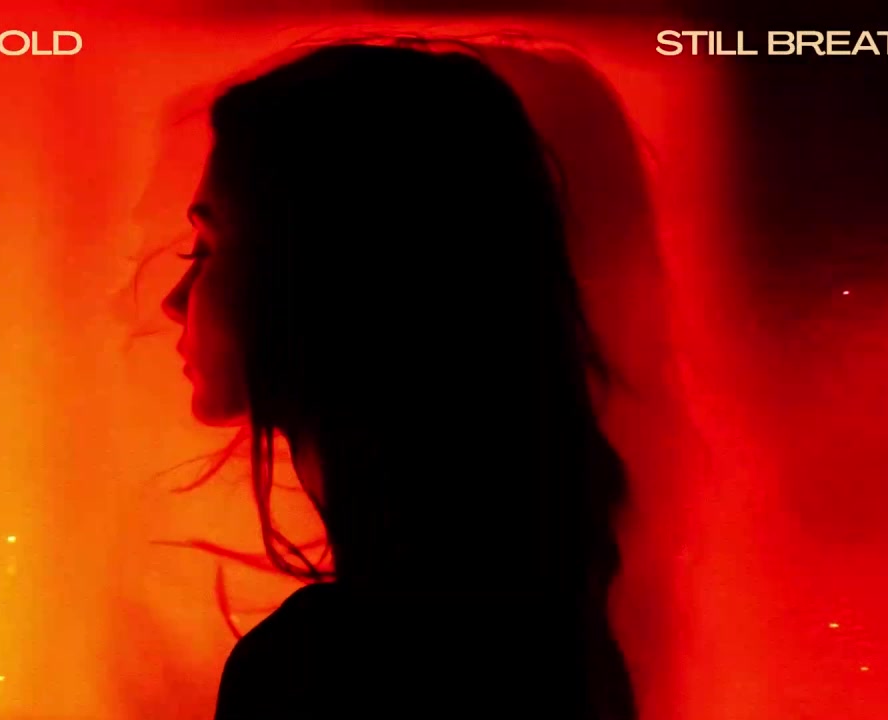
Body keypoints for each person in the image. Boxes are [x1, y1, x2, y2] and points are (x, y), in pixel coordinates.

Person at [157, 40, 639, 720]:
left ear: (319, 271)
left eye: (204, 249)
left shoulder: (322, 668)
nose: (173, 300)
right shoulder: (551, 639)